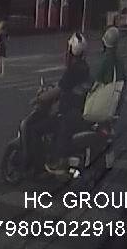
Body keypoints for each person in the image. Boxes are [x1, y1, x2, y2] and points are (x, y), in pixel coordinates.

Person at [45, 32, 92, 172]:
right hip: (79, 108)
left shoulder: (73, 69)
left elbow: (60, 89)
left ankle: (59, 160)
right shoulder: (84, 67)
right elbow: (66, 86)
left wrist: (40, 98)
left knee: (53, 125)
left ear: (71, 50)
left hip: (71, 111)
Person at [92, 26, 127, 114]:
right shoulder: (120, 61)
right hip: (116, 102)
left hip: (104, 101)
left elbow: (97, 81)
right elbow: (124, 81)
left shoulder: (105, 61)